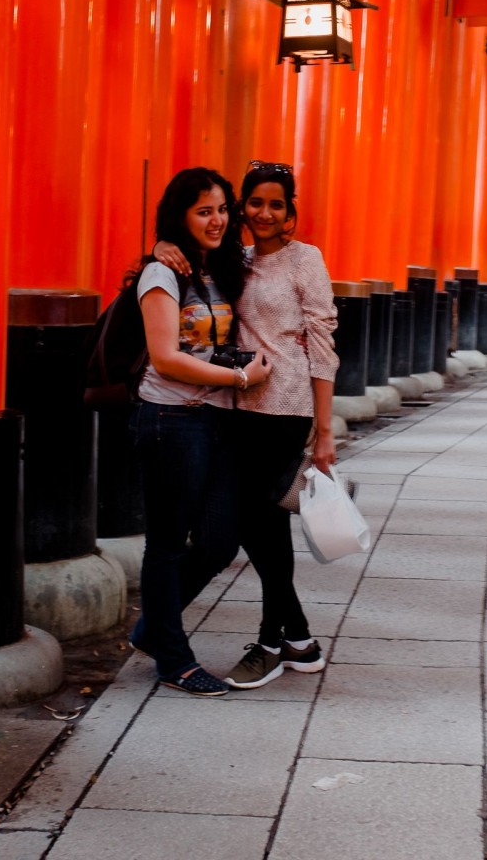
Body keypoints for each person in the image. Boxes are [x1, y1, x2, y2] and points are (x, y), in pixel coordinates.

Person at [155, 161, 338, 691]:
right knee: (257, 526)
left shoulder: (306, 260)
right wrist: (161, 250)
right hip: (236, 406)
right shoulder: (231, 259)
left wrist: (324, 432)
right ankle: (298, 639)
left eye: (275, 204)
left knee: (258, 523)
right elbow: (185, 265)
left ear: (289, 213)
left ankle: (270, 641)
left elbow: (323, 348)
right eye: (254, 203)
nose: (263, 212)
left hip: (284, 409)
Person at [128, 166, 272, 697]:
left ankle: (153, 629)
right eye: (202, 211)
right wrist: (238, 376)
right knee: (167, 543)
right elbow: (166, 359)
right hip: (170, 418)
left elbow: (280, 252)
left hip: (218, 420)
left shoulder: (226, 266)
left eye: (221, 210)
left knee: (217, 540)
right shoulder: (161, 275)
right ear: (180, 216)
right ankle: (173, 657)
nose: (216, 221)